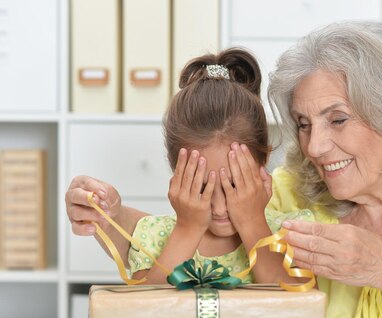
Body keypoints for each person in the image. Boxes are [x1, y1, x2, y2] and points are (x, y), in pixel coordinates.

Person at [66, 21, 382, 318]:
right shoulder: (290, 190)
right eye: (303, 124)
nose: (314, 147)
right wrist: (105, 213)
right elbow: (182, 242)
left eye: (337, 119)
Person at [85, 48, 313, 285]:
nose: (218, 207)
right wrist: (187, 229)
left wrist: (252, 223)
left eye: (232, 185)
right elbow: (146, 313)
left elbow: (300, 312)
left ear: (261, 166)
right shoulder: (152, 235)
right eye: (202, 187)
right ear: (177, 174)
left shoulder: (292, 232)